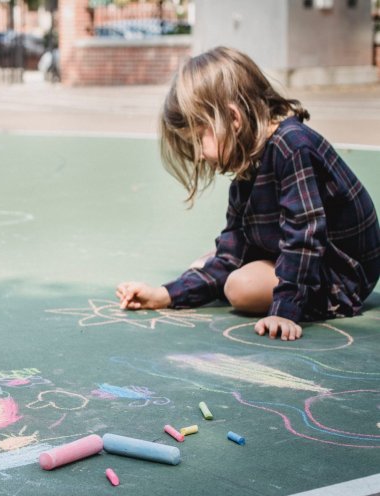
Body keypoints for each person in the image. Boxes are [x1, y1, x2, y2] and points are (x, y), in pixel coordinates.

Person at [116, 46, 380, 341]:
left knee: (239, 287)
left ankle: (293, 293)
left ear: (232, 118)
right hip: (302, 257)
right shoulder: (249, 166)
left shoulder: (292, 145)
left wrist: (285, 310)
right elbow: (231, 252)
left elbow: (305, 236)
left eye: (197, 140)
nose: (199, 156)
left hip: (339, 278)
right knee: (211, 263)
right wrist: (165, 294)